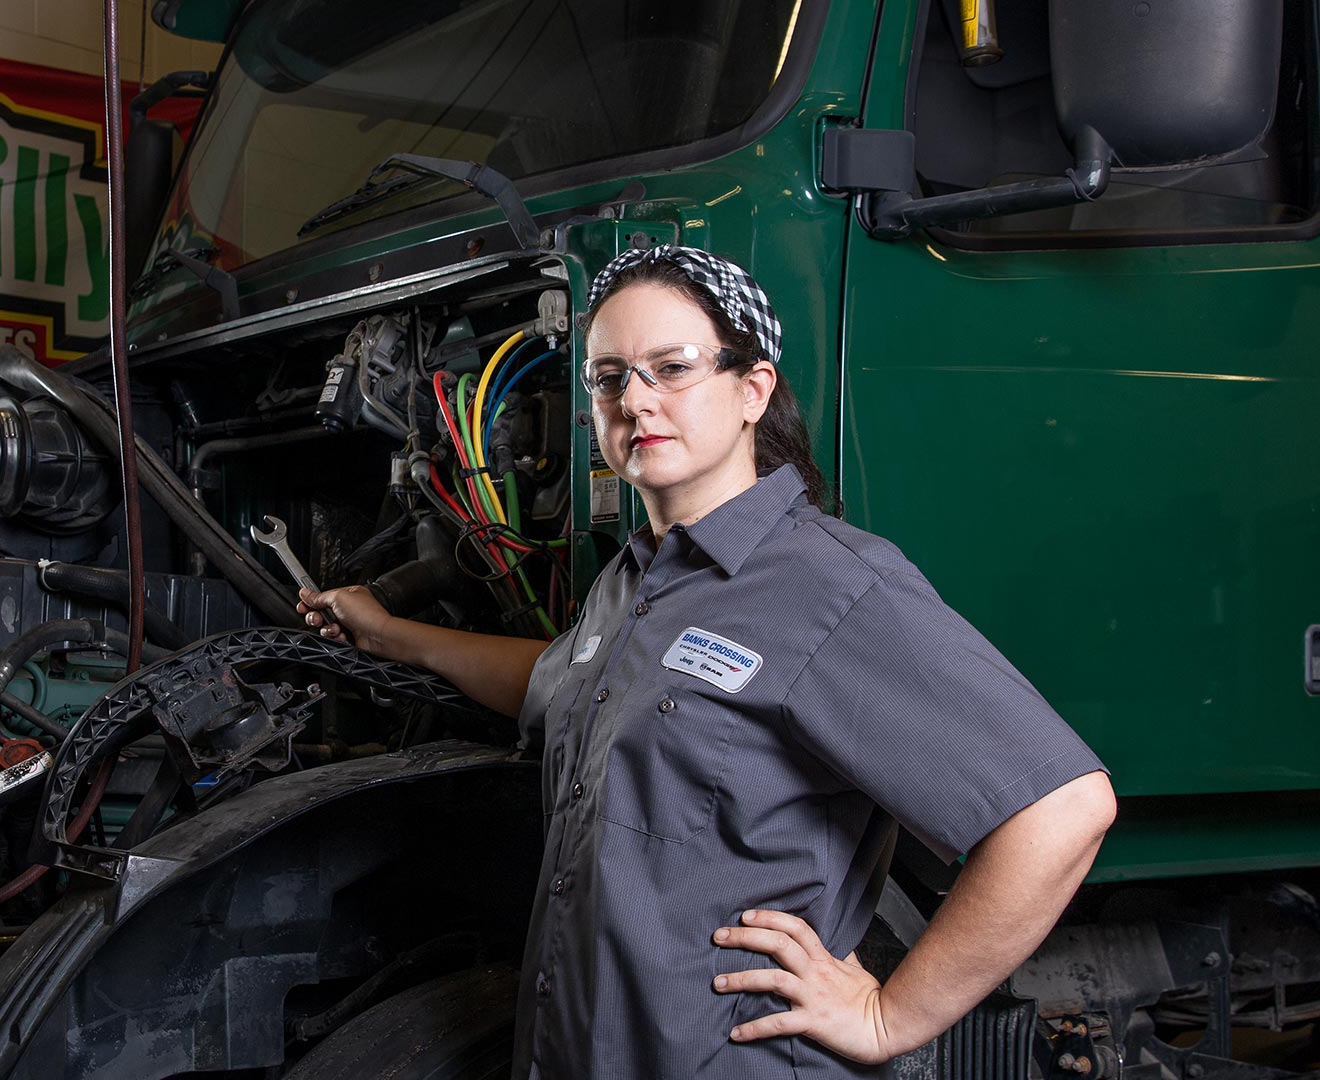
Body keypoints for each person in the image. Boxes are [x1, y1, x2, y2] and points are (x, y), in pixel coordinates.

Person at [297, 245, 1117, 1078]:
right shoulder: (633, 581)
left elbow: (1060, 809)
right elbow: (560, 684)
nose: (635, 401)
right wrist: (386, 633)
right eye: (609, 376)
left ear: (752, 390)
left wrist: (887, 1016)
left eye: (672, 368)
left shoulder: (829, 587)